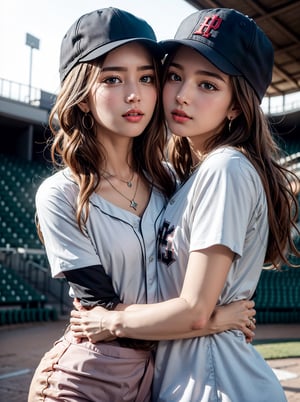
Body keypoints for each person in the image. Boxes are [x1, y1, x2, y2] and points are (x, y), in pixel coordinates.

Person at [70, 8, 300, 402]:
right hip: (189, 380)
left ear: (236, 105)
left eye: (207, 85)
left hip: (220, 384)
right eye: (175, 76)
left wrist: (111, 320)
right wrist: (218, 318)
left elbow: (193, 308)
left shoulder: (226, 168)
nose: (182, 94)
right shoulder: (185, 177)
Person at [28, 7, 256, 402]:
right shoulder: (60, 194)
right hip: (85, 378)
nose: (134, 94)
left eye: (147, 78)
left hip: (155, 380)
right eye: (113, 78)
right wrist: (214, 319)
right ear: (82, 96)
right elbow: (103, 313)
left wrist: (205, 313)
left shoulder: (172, 180)